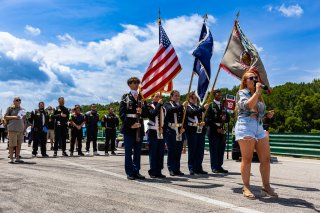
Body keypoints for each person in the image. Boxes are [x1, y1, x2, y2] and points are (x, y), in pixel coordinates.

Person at [234, 70, 278, 199]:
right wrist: (258, 92)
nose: (255, 79)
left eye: (256, 78)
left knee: (265, 158)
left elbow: (259, 110)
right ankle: (246, 187)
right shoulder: (242, 93)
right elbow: (248, 106)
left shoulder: (258, 95)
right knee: (247, 158)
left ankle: (266, 187)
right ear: (245, 81)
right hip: (245, 125)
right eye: (251, 78)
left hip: (258, 126)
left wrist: (267, 114)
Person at [119, 77, 148, 180]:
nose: (137, 84)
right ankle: (130, 172)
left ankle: (136, 171)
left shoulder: (142, 97)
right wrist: (131, 125)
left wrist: (142, 111)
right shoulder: (125, 97)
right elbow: (122, 114)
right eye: (134, 82)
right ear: (129, 84)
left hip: (139, 127)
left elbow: (147, 113)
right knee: (128, 152)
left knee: (137, 152)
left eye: (138, 82)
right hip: (129, 128)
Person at [206, 90, 230, 173]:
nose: (220, 96)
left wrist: (225, 118)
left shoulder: (223, 106)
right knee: (214, 149)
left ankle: (219, 166)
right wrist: (217, 128)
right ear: (214, 96)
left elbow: (228, 119)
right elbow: (207, 120)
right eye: (218, 94)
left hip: (222, 129)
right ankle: (214, 167)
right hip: (213, 130)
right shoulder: (211, 105)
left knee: (221, 149)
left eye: (220, 94)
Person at [163, 90, 186, 176]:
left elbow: (185, 118)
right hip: (171, 130)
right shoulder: (167, 104)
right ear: (171, 96)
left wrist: (184, 127)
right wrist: (181, 106)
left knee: (178, 151)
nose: (177, 97)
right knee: (171, 150)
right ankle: (171, 168)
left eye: (178, 96)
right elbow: (170, 111)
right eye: (176, 96)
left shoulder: (180, 106)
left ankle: (177, 169)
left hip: (180, 130)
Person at [185, 91, 209, 175]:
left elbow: (204, 117)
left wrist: (204, 122)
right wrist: (202, 108)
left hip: (200, 130)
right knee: (192, 150)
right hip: (192, 130)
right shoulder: (187, 107)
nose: (194, 99)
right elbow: (192, 113)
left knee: (200, 151)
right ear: (189, 98)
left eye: (195, 98)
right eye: (193, 98)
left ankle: (198, 167)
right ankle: (191, 167)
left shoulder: (199, 107)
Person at [146, 93, 166, 178]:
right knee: (153, 152)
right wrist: (158, 105)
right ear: (152, 97)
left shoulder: (163, 108)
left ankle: (159, 170)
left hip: (161, 132)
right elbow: (152, 114)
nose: (158, 98)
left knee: (160, 152)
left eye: (159, 96)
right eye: (156, 96)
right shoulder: (149, 106)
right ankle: (153, 171)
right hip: (153, 132)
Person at [4, 96, 27, 163]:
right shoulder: (10, 108)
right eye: (17, 100)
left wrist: (24, 128)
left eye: (19, 100)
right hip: (12, 129)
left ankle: (17, 158)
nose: (18, 101)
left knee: (19, 144)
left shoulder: (23, 110)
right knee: (12, 144)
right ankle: (11, 158)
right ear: (14, 101)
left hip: (20, 129)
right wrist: (14, 117)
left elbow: (24, 120)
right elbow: (5, 117)